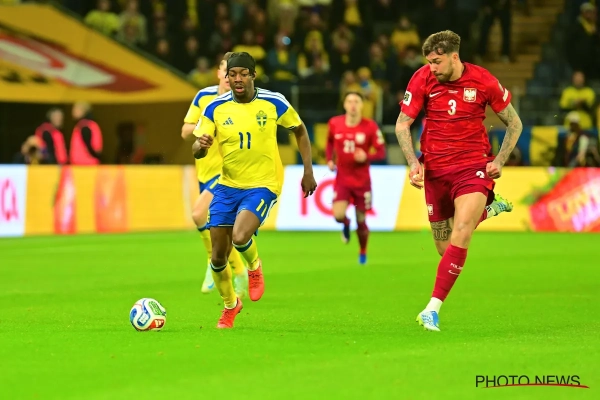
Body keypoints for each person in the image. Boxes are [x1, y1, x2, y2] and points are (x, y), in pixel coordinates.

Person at [395, 30, 522, 332]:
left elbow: (514, 123)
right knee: (446, 248)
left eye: (437, 62)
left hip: (472, 167)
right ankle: (489, 210)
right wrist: (413, 163)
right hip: (436, 171)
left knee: (462, 232)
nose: (432, 68)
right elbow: (402, 124)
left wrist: (499, 160)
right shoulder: (422, 78)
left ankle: (431, 309)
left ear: (454, 57)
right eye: (429, 62)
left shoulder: (483, 80)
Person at [192, 52, 317, 329]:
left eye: (243, 74)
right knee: (217, 257)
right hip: (227, 185)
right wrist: (201, 145)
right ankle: (231, 306)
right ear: (227, 77)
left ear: (253, 75)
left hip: (263, 184)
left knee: (240, 236)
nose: (237, 79)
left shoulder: (274, 102)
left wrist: (308, 171)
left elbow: (300, 130)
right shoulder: (214, 107)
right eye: (232, 74)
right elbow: (197, 149)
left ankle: (254, 267)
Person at [181, 52, 248, 298]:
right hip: (204, 172)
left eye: (235, 72)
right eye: (226, 71)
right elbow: (185, 131)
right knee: (219, 230)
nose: (230, 77)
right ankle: (239, 270)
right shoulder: (203, 97)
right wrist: (205, 126)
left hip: (227, 171)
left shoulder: (241, 103)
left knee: (198, 214)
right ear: (219, 73)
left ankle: (212, 262)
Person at [326, 92, 386, 265]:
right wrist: (330, 159)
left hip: (362, 181)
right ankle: (346, 223)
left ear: (361, 105)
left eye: (356, 101)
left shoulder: (370, 126)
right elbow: (329, 142)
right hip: (343, 179)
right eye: (349, 101)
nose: (353, 105)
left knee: (361, 220)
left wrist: (367, 156)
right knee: (338, 215)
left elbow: (381, 152)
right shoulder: (334, 123)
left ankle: (363, 251)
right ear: (344, 104)